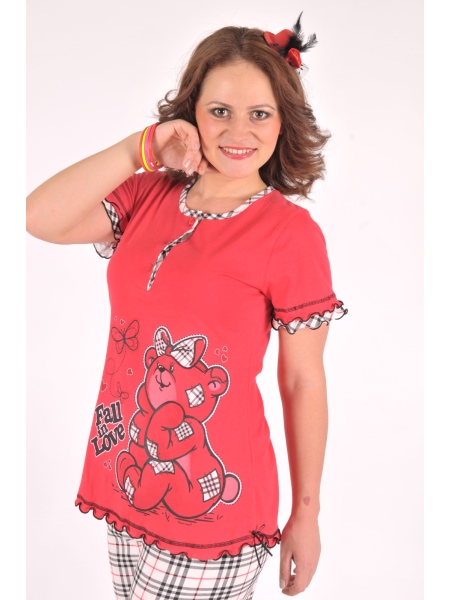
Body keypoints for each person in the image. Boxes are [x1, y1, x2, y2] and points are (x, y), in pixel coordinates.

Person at [26, 13, 347, 600]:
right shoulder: (148, 193)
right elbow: (38, 217)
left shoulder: (290, 235)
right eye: (220, 110)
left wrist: (307, 514)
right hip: (129, 481)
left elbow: (303, 380)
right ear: (192, 112)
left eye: (260, 113)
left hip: (212, 509)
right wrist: (141, 149)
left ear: (283, 121)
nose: (238, 131)